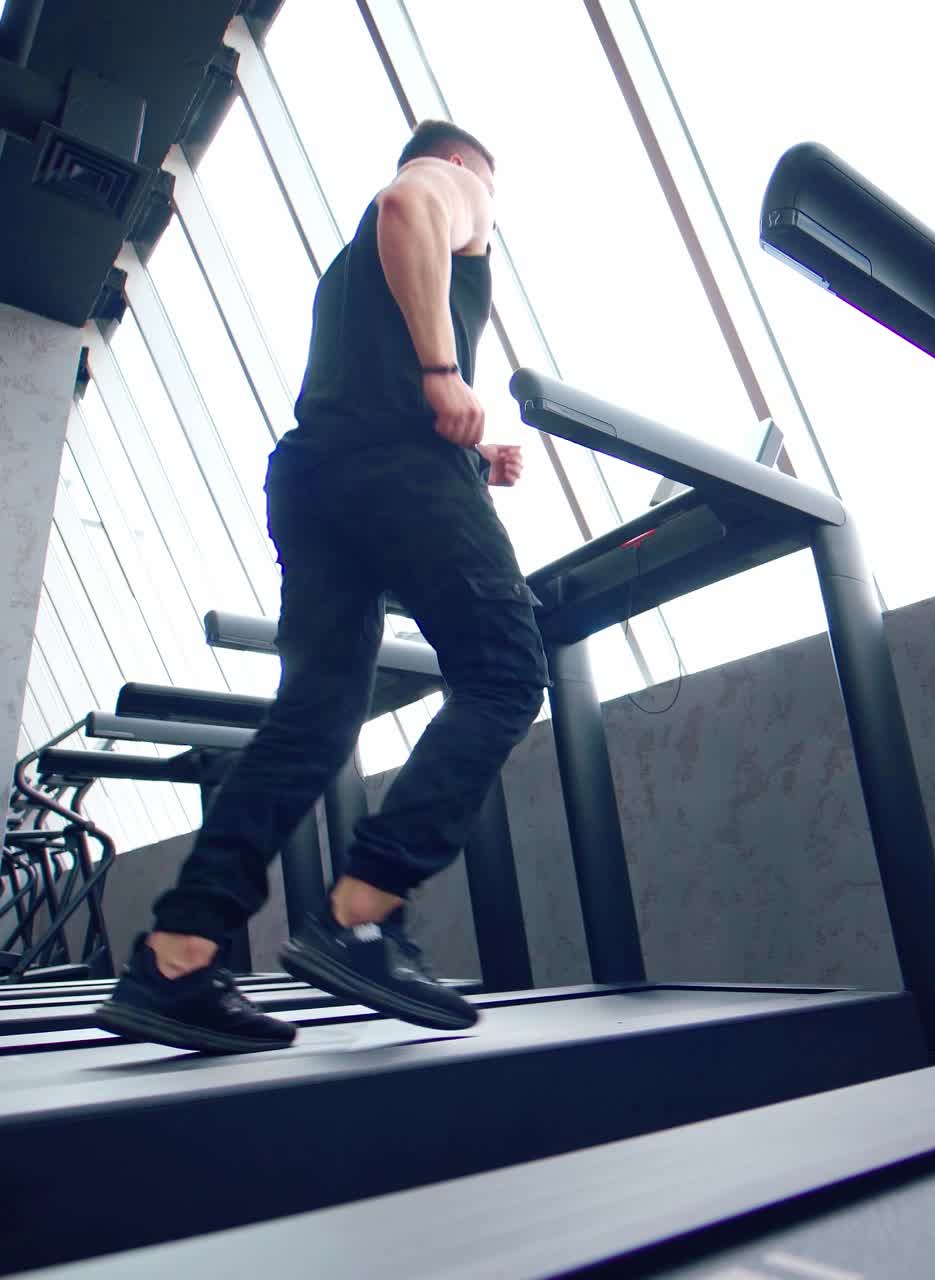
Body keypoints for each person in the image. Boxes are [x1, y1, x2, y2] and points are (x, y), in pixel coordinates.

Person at [95, 121, 547, 1054]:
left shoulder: (351, 279)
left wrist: (472, 447)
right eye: (489, 197)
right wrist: (441, 371)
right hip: (397, 474)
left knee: (313, 719)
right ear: (471, 168)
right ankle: (362, 915)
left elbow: (367, 385)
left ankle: (176, 956)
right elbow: (406, 203)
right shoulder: (447, 182)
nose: (486, 218)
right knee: (504, 674)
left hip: (317, 477)